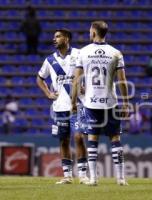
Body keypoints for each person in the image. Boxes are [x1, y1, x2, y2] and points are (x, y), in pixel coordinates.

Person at [71, 21, 129, 186]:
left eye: (90, 29)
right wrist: (125, 103)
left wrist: (73, 101)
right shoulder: (116, 53)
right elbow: (122, 81)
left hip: (91, 103)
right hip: (110, 102)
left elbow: (76, 80)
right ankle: (121, 179)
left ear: (94, 32)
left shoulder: (83, 52)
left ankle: (94, 179)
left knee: (93, 139)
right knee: (115, 139)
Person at [37, 29, 89, 184]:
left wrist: (88, 86)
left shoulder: (80, 54)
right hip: (59, 107)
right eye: (54, 37)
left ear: (67, 38)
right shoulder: (49, 60)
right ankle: (67, 176)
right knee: (63, 141)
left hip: (77, 105)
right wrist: (48, 94)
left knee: (79, 137)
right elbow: (40, 78)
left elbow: (93, 73)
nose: (55, 39)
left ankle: (83, 175)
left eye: (58, 37)